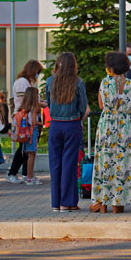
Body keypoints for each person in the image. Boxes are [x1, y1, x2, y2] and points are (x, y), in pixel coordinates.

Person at [90, 52, 131, 213]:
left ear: (111, 67)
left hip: (107, 125)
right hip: (125, 125)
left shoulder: (104, 83)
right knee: (123, 161)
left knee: (106, 160)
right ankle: (119, 203)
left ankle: (102, 203)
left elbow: (100, 105)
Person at [46, 52, 90, 212]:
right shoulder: (78, 82)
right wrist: (78, 118)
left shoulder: (50, 81)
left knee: (55, 164)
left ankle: (55, 203)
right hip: (72, 124)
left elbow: (49, 103)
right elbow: (83, 107)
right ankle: (68, 202)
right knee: (70, 164)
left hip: (55, 125)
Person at [6, 60, 44, 184]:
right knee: (25, 148)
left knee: (25, 148)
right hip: (25, 119)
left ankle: (26, 173)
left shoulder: (25, 82)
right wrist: (42, 104)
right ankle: (15, 172)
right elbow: (28, 101)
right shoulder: (23, 82)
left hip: (26, 118)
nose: (37, 76)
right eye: (37, 73)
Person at [14, 87, 43, 185]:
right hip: (32, 132)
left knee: (29, 154)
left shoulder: (24, 108)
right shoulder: (34, 108)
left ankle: (29, 176)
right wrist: (41, 123)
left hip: (25, 132)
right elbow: (34, 122)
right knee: (32, 155)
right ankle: (30, 177)